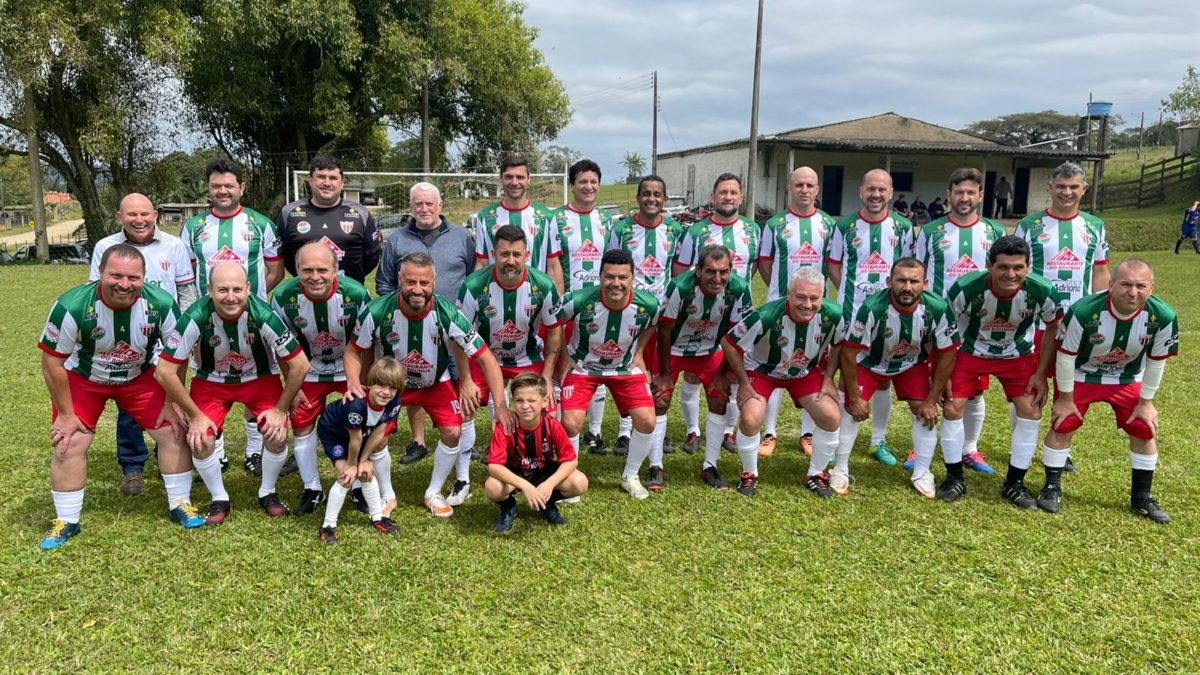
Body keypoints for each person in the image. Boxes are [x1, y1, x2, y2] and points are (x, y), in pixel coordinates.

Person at [37, 244, 202, 549]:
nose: (124, 285)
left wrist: (171, 403)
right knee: (69, 441)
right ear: (100, 274)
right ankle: (66, 521)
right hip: (84, 379)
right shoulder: (72, 305)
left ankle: (180, 503)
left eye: (133, 278)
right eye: (115, 276)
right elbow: (52, 362)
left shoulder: (161, 304)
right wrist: (66, 414)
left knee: (174, 431)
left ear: (144, 278)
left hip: (139, 377)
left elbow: (176, 357)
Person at [346, 251, 514, 518]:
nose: (417, 289)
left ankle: (433, 492)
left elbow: (487, 360)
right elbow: (354, 350)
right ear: (399, 280)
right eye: (411, 282)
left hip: (435, 383)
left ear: (434, 282)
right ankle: (387, 493)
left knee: (453, 432)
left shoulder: (448, 314)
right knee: (377, 438)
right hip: (392, 387)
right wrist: (354, 383)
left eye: (424, 283)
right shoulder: (377, 311)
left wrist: (501, 406)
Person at [155, 262, 312, 525]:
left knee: (277, 433)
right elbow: (164, 371)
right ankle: (220, 497)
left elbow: (300, 364)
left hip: (259, 378)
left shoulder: (262, 313)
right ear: (209, 289)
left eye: (237, 289)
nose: (231, 297)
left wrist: (280, 408)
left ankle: (268, 492)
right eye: (223, 289)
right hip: (212, 381)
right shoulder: (195, 316)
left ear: (249, 288)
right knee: (200, 439)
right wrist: (193, 414)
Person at [1039, 259, 1177, 523]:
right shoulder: (1083, 311)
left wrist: (1146, 402)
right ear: (1111, 285)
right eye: (1125, 284)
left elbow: (1157, 362)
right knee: (1063, 423)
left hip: (1126, 376)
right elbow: (1065, 358)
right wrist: (1066, 400)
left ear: (1152, 288)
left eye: (1140, 286)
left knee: (1144, 427)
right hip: (1081, 373)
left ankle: (1141, 498)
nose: (1132, 292)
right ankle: (1052, 487)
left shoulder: (1164, 316)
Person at [179, 158, 284, 478]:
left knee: (258, 378)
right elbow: (187, 274)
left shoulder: (260, 223)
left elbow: (275, 269)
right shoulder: (193, 227)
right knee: (210, 377)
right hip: (207, 320)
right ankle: (218, 451)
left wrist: (243, 301)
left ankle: (254, 451)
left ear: (242, 188)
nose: (222, 191)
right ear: (209, 190)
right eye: (216, 186)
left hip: (253, 320)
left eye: (228, 185)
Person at [88, 193, 197, 496]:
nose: (139, 220)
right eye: (132, 215)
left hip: (166, 335)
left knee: (172, 402)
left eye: (145, 214)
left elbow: (186, 291)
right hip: (124, 338)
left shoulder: (174, 246)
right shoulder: (104, 247)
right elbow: (93, 291)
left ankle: (171, 464)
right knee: (128, 405)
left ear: (156, 215)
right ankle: (133, 466)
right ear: (119, 217)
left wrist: (186, 332)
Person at [940, 236, 1061, 506]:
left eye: (1018, 267)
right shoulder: (966, 287)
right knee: (952, 407)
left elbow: (1053, 327)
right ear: (989, 266)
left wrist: (1041, 373)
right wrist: (943, 373)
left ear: (1028, 267)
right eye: (1003, 267)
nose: (1011, 274)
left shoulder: (1042, 290)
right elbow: (944, 329)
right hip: (970, 352)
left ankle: (1014, 483)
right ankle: (954, 477)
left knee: (1031, 411)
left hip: (1018, 354)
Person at [456, 225, 563, 507]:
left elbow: (555, 332)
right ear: (493, 254)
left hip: (527, 358)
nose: (510, 260)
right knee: (464, 409)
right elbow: (457, 335)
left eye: (517, 254)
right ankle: (463, 479)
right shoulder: (473, 286)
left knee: (546, 411)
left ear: (527, 255)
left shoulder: (543, 285)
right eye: (504, 254)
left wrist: (548, 377)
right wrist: (466, 379)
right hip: (483, 358)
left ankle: (542, 476)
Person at [909, 167, 1005, 474]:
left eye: (970, 193)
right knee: (928, 384)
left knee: (975, 389)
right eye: (958, 192)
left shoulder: (995, 232)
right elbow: (917, 273)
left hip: (978, 324)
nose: (964, 198)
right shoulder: (930, 231)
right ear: (949, 195)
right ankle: (920, 443)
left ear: (980, 196)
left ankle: (969, 449)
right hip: (937, 320)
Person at [1016, 162, 1112, 472]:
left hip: (1076, 323)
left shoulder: (1095, 226)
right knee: (1030, 385)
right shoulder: (1029, 225)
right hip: (1035, 322)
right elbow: (1017, 272)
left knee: (1067, 386)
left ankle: (1060, 445)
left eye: (1073, 187)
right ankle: (1024, 444)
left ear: (1084, 189)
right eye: (1061, 186)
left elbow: (1100, 270)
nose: (1067, 192)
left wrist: (1101, 312)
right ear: (1050, 187)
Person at [838, 259, 959, 498]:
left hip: (911, 363)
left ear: (924, 284)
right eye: (901, 280)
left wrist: (931, 399)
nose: (907, 287)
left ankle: (922, 472)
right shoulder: (872, 307)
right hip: (869, 362)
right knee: (852, 409)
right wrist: (854, 396)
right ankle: (840, 469)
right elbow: (849, 353)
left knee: (924, 411)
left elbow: (948, 354)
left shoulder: (938, 308)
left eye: (914, 281)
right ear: (889, 282)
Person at [721, 267, 843, 498]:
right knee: (750, 418)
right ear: (789, 294)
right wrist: (744, 383)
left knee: (831, 416)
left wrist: (828, 379)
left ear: (822, 297)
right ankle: (749, 474)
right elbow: (729, 343)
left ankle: (816, 474)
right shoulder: (766, 315)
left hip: (803, 372)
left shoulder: (834, 315)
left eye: (814, 298)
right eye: (800, 297)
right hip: (762, 370)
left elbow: (839, 344)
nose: (807, 304)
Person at [271, 242, 374, 516]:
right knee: (302, 422)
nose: (315, 276)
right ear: (297, 270)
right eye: (307, 270)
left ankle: (357, 488)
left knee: (358, 419)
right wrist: (291, 385)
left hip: (348, 369)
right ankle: (312, 488)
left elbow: (366, 343)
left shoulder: (356, 293)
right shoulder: (282, 296)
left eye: (322, 270)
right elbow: (282, 346)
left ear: (335, 270)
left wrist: (360, 383)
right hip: (308, 370)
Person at [377, 182, 475, 465]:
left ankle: (462, 438)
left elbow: (470, 278)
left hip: (452, 327)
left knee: (456, 380)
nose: (424, 209)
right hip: (410, 323)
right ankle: (418, 440)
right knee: (413, 376)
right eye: (418, 204)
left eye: (429, 204)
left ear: (440, 206)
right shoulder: (397, 239)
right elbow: (384, 280)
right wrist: (399, 311)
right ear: (411, 207)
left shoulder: (460, 237)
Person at [554, 249, 660, 499]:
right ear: (600, 276)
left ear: (633, 277)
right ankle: (569, 477)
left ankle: (630, 475)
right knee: (570, 422)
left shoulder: (648, 304)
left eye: (623, 277)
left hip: (624, 367)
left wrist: (640, 353)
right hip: (583, 366)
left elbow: (652, 324)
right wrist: (564, 357)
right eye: (610, 276)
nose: (616, 283)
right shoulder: (578, 299)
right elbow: (554, 320)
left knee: (647, 420)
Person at [826, 168, 913, 467]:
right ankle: (836, 437)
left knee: (884, 377)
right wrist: (852, 295)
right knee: (846, 376)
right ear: (861, 191)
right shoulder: (845, 226)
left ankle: (878, 440)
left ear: (890, 193)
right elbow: (834, 266)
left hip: (890, 317)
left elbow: (908, 269)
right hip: (852, 314)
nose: (876, 195)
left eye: (882, 189)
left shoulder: (903, 227)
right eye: (870, 189)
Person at [673, 173, 761, 453]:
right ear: (713, 198)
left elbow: (754, 268)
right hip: (700, 312)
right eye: (723, 192)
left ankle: (727, 432)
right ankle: (692, 430)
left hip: (737, 311)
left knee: (733, 372)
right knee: (692, 372)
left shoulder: (752, 230)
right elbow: (680, 270)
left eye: (734, 192)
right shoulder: (695, 232)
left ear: (741, 197)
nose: (728, 197)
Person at [654, 244, 753, 491]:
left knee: (719, 398)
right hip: (674, 349)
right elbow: (664, 331)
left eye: (723, 272)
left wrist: (722, 375)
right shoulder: (680, 286)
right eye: (710, 271)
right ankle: (655, 465)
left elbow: (735, 336)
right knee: (660, 399)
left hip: (711, 350)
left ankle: (710, 465)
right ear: (698, 270)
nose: (717, 278)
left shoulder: (739, 289)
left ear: (731, 271)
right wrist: (665, 375)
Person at [756, 166, 835, 458]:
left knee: (810, 367)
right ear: (790, 188)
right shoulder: (775, 224)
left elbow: (834, 263)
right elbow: (765, 263)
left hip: (816, 312)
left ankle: (808, 434)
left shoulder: (829, 224)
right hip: (780, 308)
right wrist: (781, 294)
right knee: (774, 365)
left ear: (817, 190)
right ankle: (769, 432)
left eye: (810, 185)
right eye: (799, 184)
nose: (804, 189)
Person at [607, 174, 686, 459]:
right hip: (629, 313)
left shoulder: (676, 230)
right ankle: (625, 430)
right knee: (626, 369)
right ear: (638, 197)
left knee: (659, 370)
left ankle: (655, 430)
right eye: (646, 193)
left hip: (663, 315)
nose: (651, 198)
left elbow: (679, 270)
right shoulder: (622, 229)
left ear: (664, 200)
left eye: (657, 194)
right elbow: (612, 267)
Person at [552, 159, 613, 455]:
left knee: (596, 366)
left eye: (593, 181)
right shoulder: (555, 219)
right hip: (567, 307)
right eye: (582, 181)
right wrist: (559, 306)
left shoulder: (607, 221)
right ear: (572, 185)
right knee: (564, 369)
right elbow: (551, 263)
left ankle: (596, 433)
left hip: (601, 308)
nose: (588, 186)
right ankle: (561, 429)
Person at [317, 357, 407, 544]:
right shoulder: (357, 405)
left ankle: (378, 518)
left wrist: (364, 460)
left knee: (366, 471)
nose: (386, 392)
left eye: (392, 388)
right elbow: (355, 439)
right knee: (346, 476)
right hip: (334, 432)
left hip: (360, 433)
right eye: (381, 385)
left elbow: (379, 432)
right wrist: (351, 464)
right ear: (369, 385)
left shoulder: (395, 402)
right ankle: (328, 526)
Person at [486, 372, 589, 534]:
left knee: (579, 482)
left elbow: (571, 461)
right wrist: (525, 486)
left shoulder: (551, 425)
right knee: (492, 486)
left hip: (543, 472)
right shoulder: (505, 426)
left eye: (532, 400)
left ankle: (546, 502)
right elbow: (494, 467)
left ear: (544, 402)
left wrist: (550, 483)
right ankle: (508, 507)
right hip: (516, 473)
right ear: (513, 402)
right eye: (519, 401)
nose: (525, 406)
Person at [277, 154, 381, 283]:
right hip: (305, 293)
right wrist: (310, 279)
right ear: (310, 180)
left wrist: (350, 279)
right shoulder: (289, 212)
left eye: (333, 178)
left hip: (350, 297)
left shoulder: (361, 213)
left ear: (342, 183)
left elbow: (372, 256)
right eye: (321, 177)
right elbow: (284, 256)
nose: (327, 183)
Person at [471, 154, 565, 294]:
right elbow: (481, 264)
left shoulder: (547, 217)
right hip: (495, 300)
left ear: (529, 179)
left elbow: (552, 265)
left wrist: (557, 307)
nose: (514, 182)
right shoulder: (485, 217)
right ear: (501, 178)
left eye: (520, 177)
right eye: (509, 177)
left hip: (536, 300)